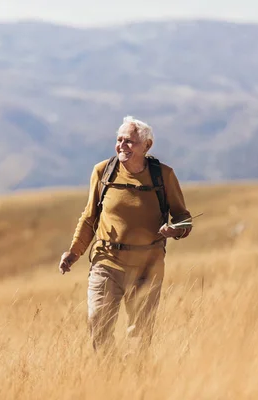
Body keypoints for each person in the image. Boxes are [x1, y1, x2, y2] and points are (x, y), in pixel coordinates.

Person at [58, 115, 193, 355]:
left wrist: (175, 230)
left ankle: (134, 383)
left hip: (147, 267)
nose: (122, 146)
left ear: (147, 145)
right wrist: (74, 252)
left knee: (140, 336)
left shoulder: (163, 176)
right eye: (119, 140)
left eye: (129, 141)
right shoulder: (103, 172)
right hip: (106, 262)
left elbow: (184, 218)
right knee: (97, 324)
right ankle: (110, 377)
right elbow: (90, 217)